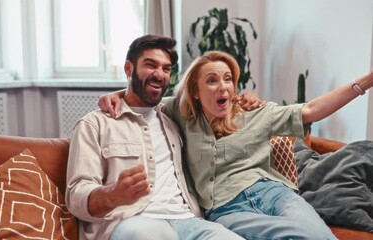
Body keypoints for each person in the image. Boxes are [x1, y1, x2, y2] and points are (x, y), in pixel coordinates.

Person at [99, 50, 373, 239]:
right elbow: (146, 97)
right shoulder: (180, 115)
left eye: (228, 79)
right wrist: (119, 94)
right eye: (212, 80)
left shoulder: (255, 112)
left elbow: (312, 109)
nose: (223, 87)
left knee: (317, 236)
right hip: (226, 210)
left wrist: (367, 80)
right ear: (195, 91)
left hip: (274, 194)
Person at [65, 35, 265, 240]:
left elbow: (212, 101)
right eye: (150, 65)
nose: (159, 74)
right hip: (134, 221)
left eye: (166, 69)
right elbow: (76, 196)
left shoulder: (174, 117)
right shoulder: (94, 124)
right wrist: (113, 194)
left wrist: (246, 99)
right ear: (128, 68)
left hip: (189, 220)